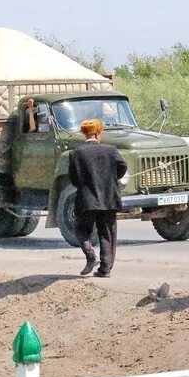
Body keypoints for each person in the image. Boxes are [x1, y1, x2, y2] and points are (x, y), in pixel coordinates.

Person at [68, 118, 128, 278]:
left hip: (87, 200)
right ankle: (105, 269)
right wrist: (112, 178)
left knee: (80, 228)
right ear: (98, 133)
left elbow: (73, 179)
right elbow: (123, 166)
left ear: (84, 134)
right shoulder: (111, 150)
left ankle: (90, 255)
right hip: (109, 199)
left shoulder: (76, 154)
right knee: (107, 233)